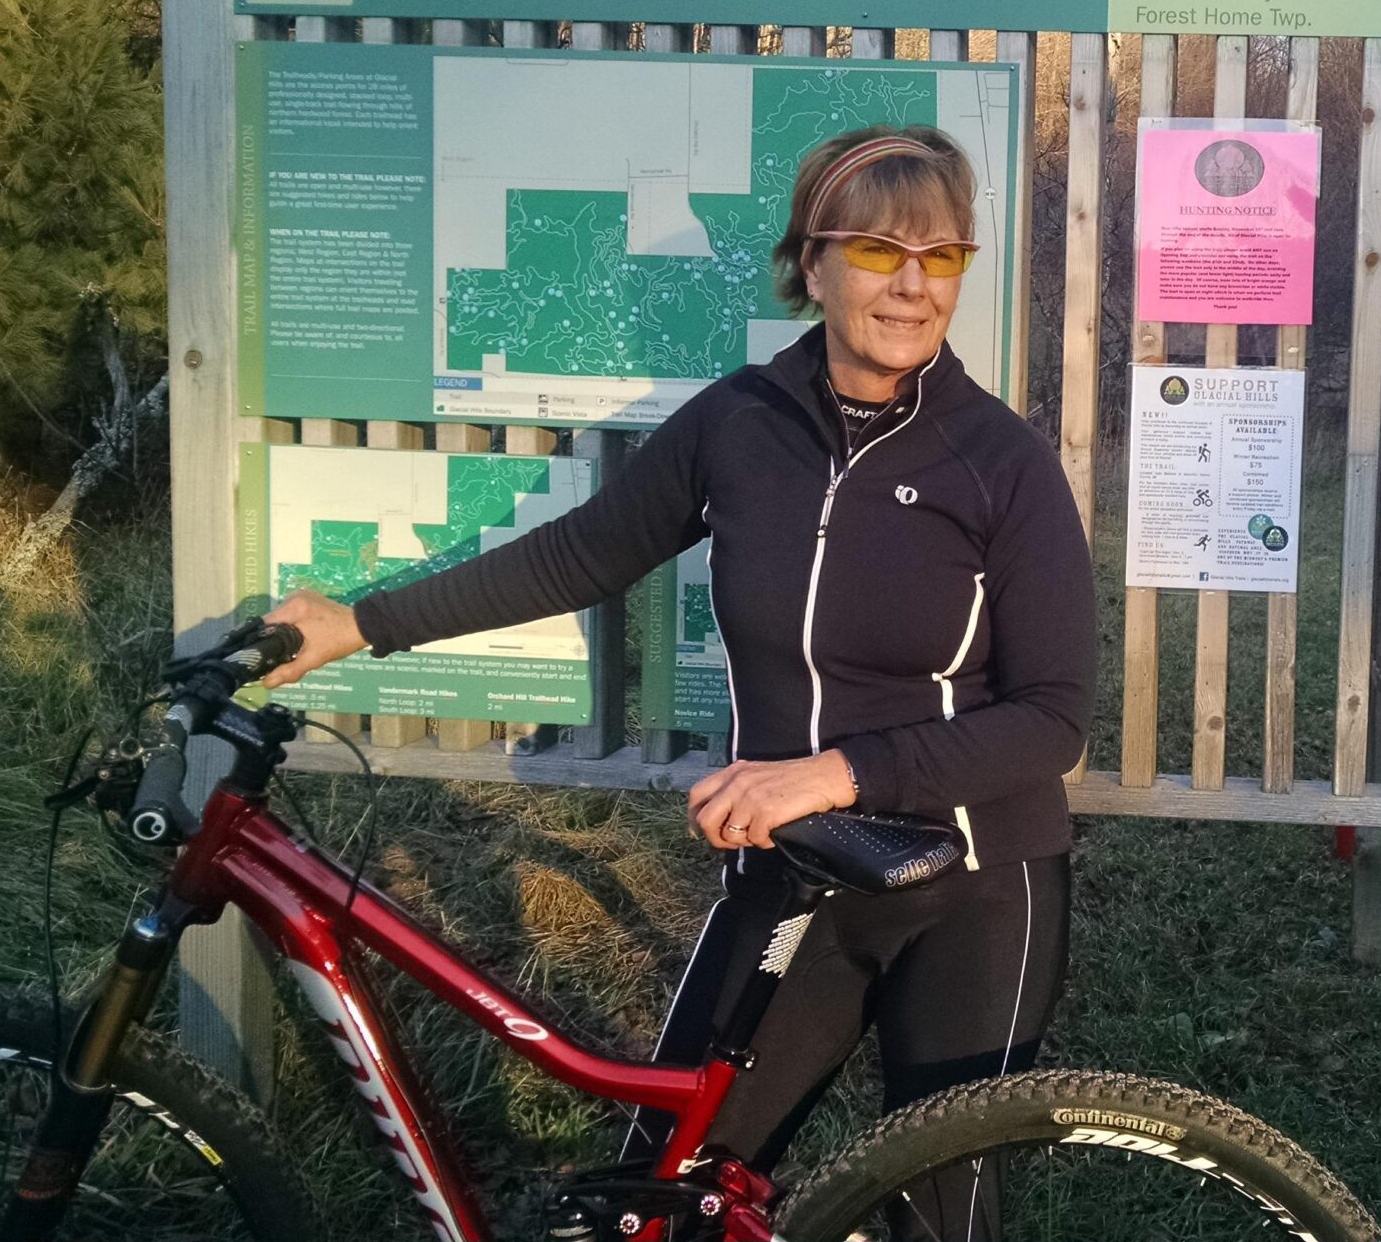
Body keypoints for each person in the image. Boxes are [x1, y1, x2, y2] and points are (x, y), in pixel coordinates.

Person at [260, 125, 1096, 1234]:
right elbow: (579, 553)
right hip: (796, 877)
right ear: (811, 263)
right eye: (878, 249)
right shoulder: (738, 423)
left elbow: (1052, 721)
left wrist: (835, 772)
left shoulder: (999, 461)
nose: (910, 284)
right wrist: (360, 622)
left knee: (945, 1208)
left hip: (978, 883)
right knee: (666, 1194)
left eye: (940, 256)